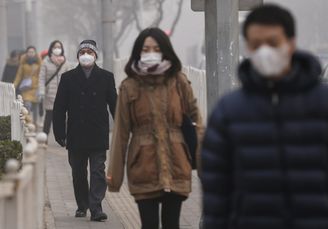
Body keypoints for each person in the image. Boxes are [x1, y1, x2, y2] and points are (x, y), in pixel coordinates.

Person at [201, 4, 328, 229]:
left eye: (272, 43)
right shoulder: (228, 113)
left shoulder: (324, 105)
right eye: (256, 45)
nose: (265, 51)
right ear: (248, 49)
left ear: (291, 43)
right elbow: (216, 195)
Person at [106, 28, 204, 229]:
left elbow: (197, 123)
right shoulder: (129, 86)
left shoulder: (179, 81)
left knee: (172, 224)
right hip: (143, 165)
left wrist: (205, 164)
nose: (151, 52)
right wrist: (115, 177)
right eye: (146, 48)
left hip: (177, 161)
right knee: (148, 224)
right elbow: (121, 134)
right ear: (138, 52)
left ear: (165, 50)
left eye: (156, 48)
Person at [52, 40, 117, 221]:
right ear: (78, 56)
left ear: (95, 55)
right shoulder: (68, 78)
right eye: (82, 52)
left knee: (98, 171)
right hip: (76, 134)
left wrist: (122, 127)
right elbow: (59, 108)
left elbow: (115, 104)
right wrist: (59, 133)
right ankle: (82, 205)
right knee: (78, 173)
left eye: (89, 52)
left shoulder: (106, 77)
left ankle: (96, 208)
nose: (86, 55)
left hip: (98, 132)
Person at [38, 40, 70, 141]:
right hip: (49, 94)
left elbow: (70, 77)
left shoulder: (65, 62)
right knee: (49, 116)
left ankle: (63, 137)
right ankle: (44, 137)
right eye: (55, 47)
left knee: (62, 117)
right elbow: (42, 78)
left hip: (62, 94)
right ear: (51, 48)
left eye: (59, 47)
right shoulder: (45, 62)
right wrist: (41, 91)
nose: (57, 49)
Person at [13, 46, 41, 124]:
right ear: (26, 53)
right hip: (26, 88)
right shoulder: (23, 64)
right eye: (29, 52)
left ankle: (35, 124)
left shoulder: (39, 63)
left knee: (35, 108)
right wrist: (14, 85)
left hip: (36, 88)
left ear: (35, 53)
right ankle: (28, 123)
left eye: (32, 52)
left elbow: (42, 76)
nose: (31, 53)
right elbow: (19, 76)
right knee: (27, 105)